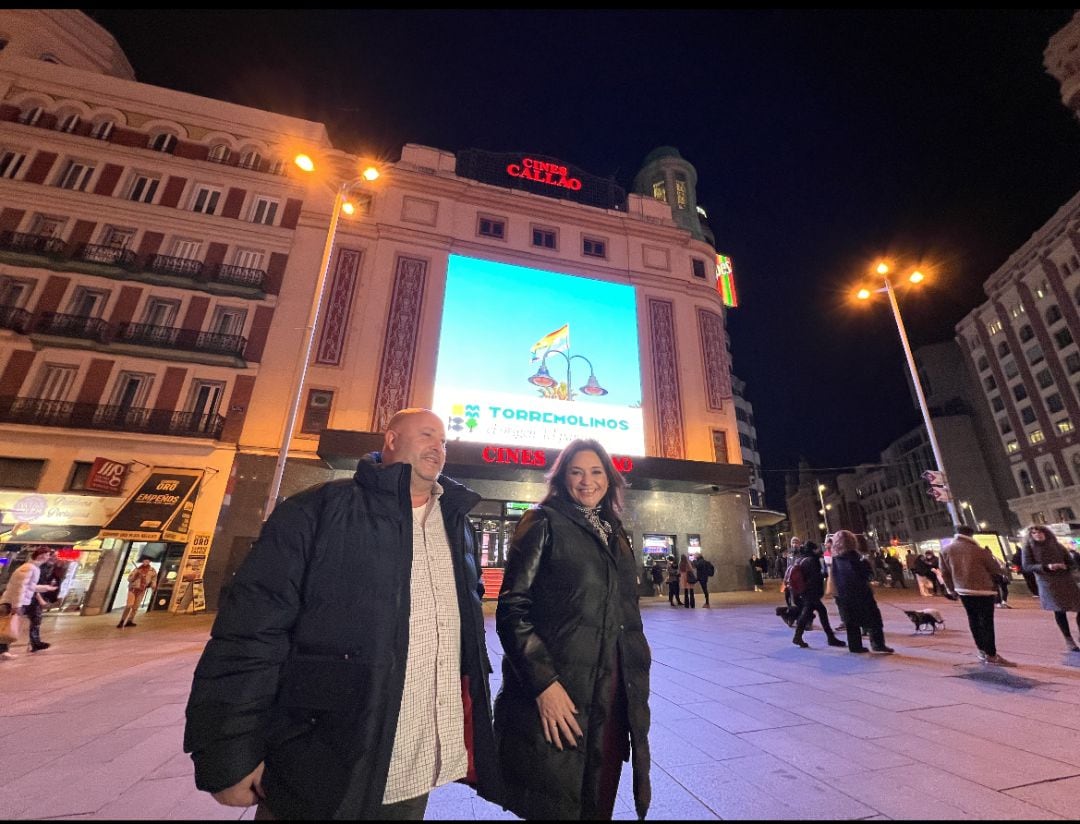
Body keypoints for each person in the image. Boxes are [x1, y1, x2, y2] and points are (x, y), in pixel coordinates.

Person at [183, 408, 502, 820]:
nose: (437, 448)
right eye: (426, 435)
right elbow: (251, 632)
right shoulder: (315, 511)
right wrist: (231, 749)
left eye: (443, 441)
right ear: (390, 439)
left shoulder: (456, 526)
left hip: (416, 759)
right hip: (324, 761)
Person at [495, 438, 650, 820]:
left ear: (609, 479)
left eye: (596, 472)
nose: (587, 481)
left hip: (614, 691)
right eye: (576, 472)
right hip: (564, 689)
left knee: (600, 794)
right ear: (562, 477)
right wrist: (543, 684)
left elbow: (624, 611)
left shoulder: (615, 532)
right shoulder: (542, 522)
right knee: (559, 800)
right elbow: (513, 609)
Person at [939, 525, 1014, 666]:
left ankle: (981, 651)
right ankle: (991, 654)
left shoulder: (946, 550)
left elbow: (945, 573)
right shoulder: (979, 550)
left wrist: (951, 590)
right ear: (971, 535)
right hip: (984, 589)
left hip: (963, 590)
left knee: (973, 619)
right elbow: (995, 569)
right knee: (987, 621)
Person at [830, 530, 893, 654]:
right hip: (861, 593)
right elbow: (867, 574)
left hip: (844, 594)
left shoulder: (836, 559)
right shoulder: (856, 556)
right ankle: (877, 644)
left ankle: (855, 646)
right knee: (874, 619)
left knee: (851, 622)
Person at [1021, 525, 1080, 652]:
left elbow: (1071, 563)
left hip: (1066, 581)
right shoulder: (1029, 548)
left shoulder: (1057, 545)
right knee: (1059, 611)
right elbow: (1027, 566)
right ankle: (1068, 639)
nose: (1038, 534)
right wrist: (1047, 567)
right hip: (1048, 583)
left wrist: (1066, 566)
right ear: (1030, 536)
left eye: (1040, 531)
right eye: (1034, 533)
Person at [0, 546, 58, 656]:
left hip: (15, 602)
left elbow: (30, 586)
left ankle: (3, 651)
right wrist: (17, 605)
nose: (48, 557)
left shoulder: (33, 568)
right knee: (6, 625)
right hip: (11, 602)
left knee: (7, 625)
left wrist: (46, 588)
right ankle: (3, 651)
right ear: (41, 556)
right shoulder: (29, 568)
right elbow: (20, 587)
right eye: (47, 555)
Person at [790, 541, 845, 649]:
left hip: (804, 591)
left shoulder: (801, 559)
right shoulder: (812, 560)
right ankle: (829, 638)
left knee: (815, 612)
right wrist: (825, 574)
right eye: (816, 548)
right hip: (811, 592)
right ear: (812, 549)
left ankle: (828, 637)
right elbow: (815, 577)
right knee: (810, 613)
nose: (818, 550)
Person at [117, 555, 158, 628]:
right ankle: (122, 620)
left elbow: (154, 579)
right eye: (145, 560)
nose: (146, 562)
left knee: (135, 607)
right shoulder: (136, 569)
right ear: (143, 561)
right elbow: (129, 579)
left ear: (149, 562)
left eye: (147, 561)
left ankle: (130, 620)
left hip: (142, 590)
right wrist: (136, 575)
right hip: (133, 589)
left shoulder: (152, 570)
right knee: (129, 605)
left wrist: (153, 586)